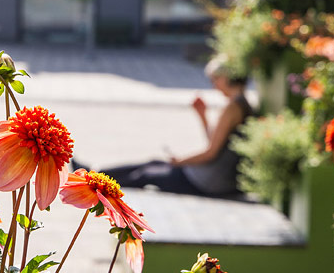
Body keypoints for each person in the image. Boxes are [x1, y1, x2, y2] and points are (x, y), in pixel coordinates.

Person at [88, 55, 254, 197]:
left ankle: (96, 182)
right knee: (151, 164)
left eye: (215, 79)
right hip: (209, 177)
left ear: (226, 77)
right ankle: (95, 173)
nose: (213, 85)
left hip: (206, 181)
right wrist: (202, 115)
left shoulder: (233, 107)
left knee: (146, 174)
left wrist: (181, 161)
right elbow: (215, 144)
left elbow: (211, 153)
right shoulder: (241, 103)